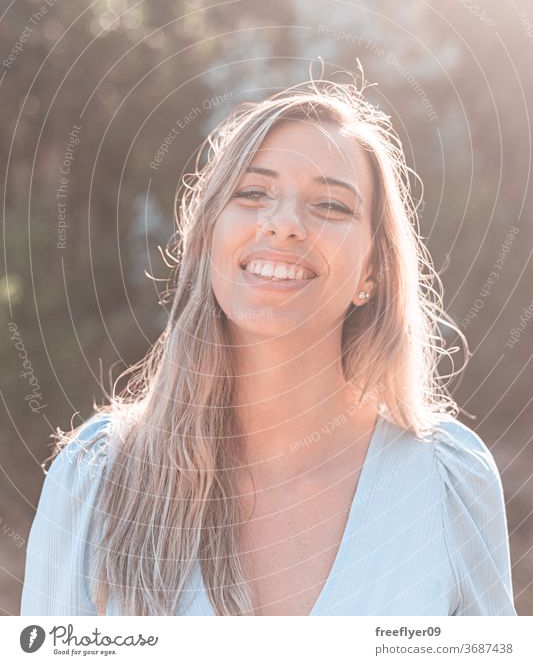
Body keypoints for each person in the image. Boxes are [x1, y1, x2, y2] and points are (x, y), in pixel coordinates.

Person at [20, 70, 517, 616]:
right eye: (253, 193)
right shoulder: (95, 479)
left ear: (372, 268)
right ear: (209, 236)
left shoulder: (449, 483)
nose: (283, 225)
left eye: (331, 205)